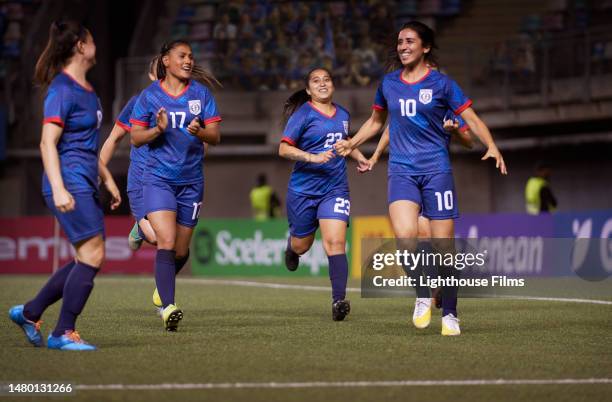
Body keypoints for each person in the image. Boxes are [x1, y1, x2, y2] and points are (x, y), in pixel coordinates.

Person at [335, 21, 507, 336]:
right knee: (404, 238)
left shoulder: (443, 84)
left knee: (444, 247)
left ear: (425, 47)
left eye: (410, 41)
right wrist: (353, 143)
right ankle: (423, 294)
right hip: (401, 170)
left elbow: (471, 119)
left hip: (436, 172)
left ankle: (451, 315)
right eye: (400, 41)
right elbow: (376, 123)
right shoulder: (388, 83)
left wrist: (492, 145)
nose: (403, 46)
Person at [9, 20, 120, 351]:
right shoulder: (62, 89)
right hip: (68, 180)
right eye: (92, 40)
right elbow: (47, 144)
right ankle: (62, 332)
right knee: (94, 254)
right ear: (80, 47)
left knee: (85, 256)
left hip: (85, 177)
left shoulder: (88, 91)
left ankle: (29, 312)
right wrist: (58, 188)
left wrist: (107, 177)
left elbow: (85, 144)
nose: (96, 45)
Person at [130, 39, 221, 332]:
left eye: (191, 56)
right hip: (158, 179)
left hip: (192, 182)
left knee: (181, 251)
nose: (188, 60)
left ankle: (162, 288)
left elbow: (216, 136)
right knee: (166, 241)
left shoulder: (201, 95)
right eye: (182, 56)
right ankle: (168, 307)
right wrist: (157, 129)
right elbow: (135, 138)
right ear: (166, 61)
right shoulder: (149, 97)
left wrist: (201, 131)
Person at [279, 67, 370, 321]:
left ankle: (338, 300)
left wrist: (359, 156)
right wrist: (312, 157)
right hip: (303, 190)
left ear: (333, 85)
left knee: (336, 243)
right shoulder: (303, 114)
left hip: (335, 187)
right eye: (316, 81)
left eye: (327, 79)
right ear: (308, 90)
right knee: (303, 244)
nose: (322, 84)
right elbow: (283, 149)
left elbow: (344, 141)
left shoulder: (343, 114)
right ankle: (292, 248)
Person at [99, 56, 160, 252]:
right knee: (157, 237)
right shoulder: (137, 102)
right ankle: (141, 228)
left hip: (168, 178)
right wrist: (97, 171)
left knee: (171, 239)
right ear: (151, 76)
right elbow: (114, 138)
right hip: (140, 178)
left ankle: (163, 283)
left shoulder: (183, 105)